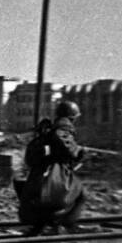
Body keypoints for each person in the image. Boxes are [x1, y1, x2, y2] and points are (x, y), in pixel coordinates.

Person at [17, 100, 86, 235]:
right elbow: (66, 145)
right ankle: (66, 225)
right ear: (72, 116)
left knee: (48, 199)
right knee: (80, 194)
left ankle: (42, 227)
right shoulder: (64, 126)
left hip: (43, 171)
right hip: (57, 171)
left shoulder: (50, 126)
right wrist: (78, 151)